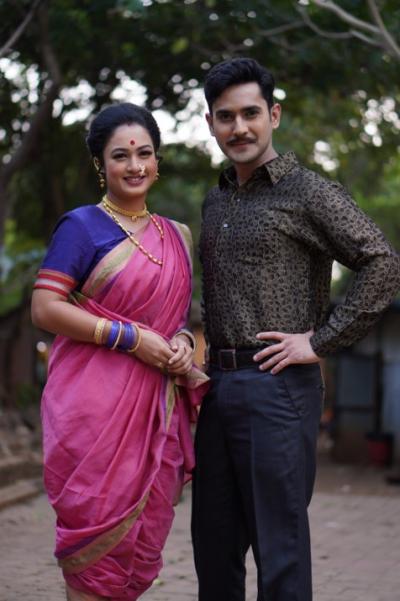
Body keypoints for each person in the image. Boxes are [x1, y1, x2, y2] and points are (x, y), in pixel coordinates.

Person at [191, 57, 400, 601]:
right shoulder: (216, 199)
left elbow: (383, 262)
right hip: (217, 388)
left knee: (279, 553)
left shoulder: (308, 192)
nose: (239, 127)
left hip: (278, 388)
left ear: (274, 115)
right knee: (213, 549)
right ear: (210, 123)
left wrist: (321, 340)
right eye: (226, 117)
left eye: (251, 113)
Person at [31, 102, 208, 601]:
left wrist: (182, 344)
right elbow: (45, 307)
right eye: (120, 156)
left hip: (156, 411)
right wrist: (130, 338)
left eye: (144, 153)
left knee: (139, 548)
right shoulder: (81, 226)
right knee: (95, 553)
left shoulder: (177, 236)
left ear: (158, 160)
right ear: (100, 164)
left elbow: (176, 319)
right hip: (94, 413)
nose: (135, 166)